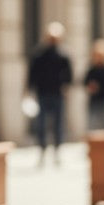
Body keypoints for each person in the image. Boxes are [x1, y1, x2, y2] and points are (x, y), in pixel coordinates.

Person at [27, 22, 73, 164]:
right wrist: (29, 90)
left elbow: (69, 75)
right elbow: (32, 73)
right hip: (42, 93)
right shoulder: (39, 54)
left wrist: (66, 87)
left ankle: (57, 151)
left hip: (57, 94)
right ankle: (42, 150)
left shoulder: (64, 54)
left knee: (58, 124)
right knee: (41, 124)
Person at [83, 39, 104, 130]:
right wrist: (91, 86)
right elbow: (85, 82)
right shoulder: (91, 70)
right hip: (94, 101)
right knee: (92, 124)